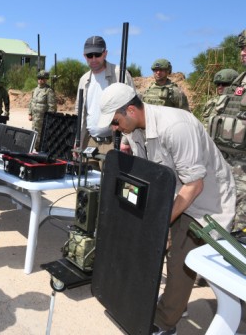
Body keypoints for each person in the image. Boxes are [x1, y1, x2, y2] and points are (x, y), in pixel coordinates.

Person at [97, 83, 236, 335]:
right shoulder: (136, 130)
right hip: (175, 196)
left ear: (130, 110)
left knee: (181, 261)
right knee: (148, 248)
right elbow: (150, 176)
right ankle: (158, 303)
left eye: (115, 122)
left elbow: (194, 185)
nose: (114, 129)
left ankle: (164, 322)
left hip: (205, 204)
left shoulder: (175, 127)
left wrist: (158, 225)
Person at [74, 35, 136, 169]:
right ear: (84, 56)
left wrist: (125, 141)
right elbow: (80, 113)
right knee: (86, 186)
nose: (94, 59)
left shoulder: (120, 74)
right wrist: (77, 141)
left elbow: (133, 110)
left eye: (97, 54)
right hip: (89, 142)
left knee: (111, 187)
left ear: (105, 53)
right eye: (90, 55)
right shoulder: (84, 79)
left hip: (113, 142)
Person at [208, 29, 246, 234]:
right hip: (228, 166)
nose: (242, 52)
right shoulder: (239, 81)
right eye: (241, 48)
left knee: (239, 232)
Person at [29, 70, 57, 150]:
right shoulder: (35, 90)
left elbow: (52, 106)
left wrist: (50, 118)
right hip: (35, 117)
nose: (40, 80)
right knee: (34, 133)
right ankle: (36, 149)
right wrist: (30, 113)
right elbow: (31, 102)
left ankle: (40, 150)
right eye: (39, 78)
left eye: (42, 78)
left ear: (46, 79)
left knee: (42, 135)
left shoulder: (48, 90)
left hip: (43, 118)